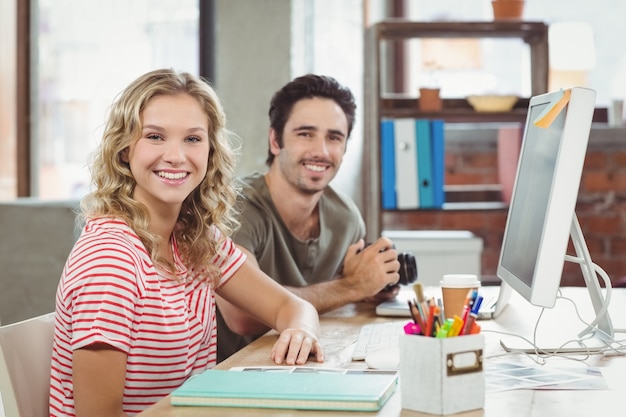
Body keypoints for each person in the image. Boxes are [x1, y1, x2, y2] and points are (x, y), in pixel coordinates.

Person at [49, 68, 324, 417]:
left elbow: (293, 308)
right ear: (123, 150)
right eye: (155, 136)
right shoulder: (111, 260)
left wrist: (299, 332)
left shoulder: (196, 242)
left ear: (210, 152)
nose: (176, 156)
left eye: (193, 139)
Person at [216, 74, 401, 362]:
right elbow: (241, 316)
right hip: (229, 378)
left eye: (334, 137)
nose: (321, 151)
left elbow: (341, 296)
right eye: (305, 134)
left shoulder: (346, 218)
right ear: (275, 141)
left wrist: (372, 288)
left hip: (305, 367)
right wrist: (352, 287)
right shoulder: (233, 207)